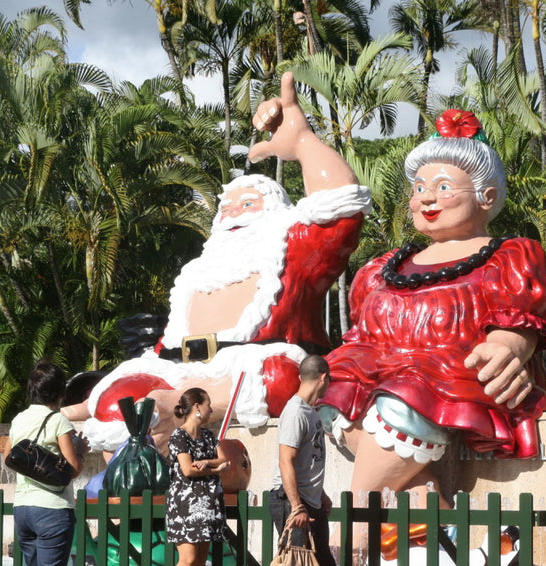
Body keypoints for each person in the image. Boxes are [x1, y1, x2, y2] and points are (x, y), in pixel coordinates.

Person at [66, 71, 371, 455]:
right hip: (176, 367)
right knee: (117, 395)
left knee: (278, 377)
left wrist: (303, 140)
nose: (233, 215)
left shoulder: (286, 245)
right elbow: (170, 338)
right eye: (226, 208)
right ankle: (135, 424)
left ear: (275, 212)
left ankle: (177, 411)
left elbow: (340, 207)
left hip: (247, 370)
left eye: (248, 205)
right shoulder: (200, 270)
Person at [317, 109, 546, 551]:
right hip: (377, 370)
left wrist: (508, 344)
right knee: (323, 384)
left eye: (444, 187)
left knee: (406, 393)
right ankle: (422, 497)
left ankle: (354, 524)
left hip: (453, 375)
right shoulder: (384, 267)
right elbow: (362, 332)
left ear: (486, 196)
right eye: (419, 188)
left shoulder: (507, 256)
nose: (427, 198)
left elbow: (526, 316)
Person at [10, 360, 86, 566]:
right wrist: (81, 452)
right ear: (59, 391)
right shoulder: (58, 421)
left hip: (23, 509)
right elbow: (73, 469)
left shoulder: (18, 419)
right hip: (52, 510)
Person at [269, 354, 337, 566]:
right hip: (292, 502)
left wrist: (320, 494)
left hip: (309, 501)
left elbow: (307, 461)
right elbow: (285, 459)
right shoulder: (296, 412)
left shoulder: (310, 412)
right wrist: (296, 505)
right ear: (323, 377)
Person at [158, 387, 231, 566]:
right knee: (188, 558)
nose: (210, 409)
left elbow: (224, 459)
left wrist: (209, 464)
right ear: (197, 407)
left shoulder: (209, 435)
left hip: (208, 504)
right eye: (208, 404)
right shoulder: (179, 436)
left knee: (200, 560)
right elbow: (188, 470)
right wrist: (215, 468)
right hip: (185, 507)